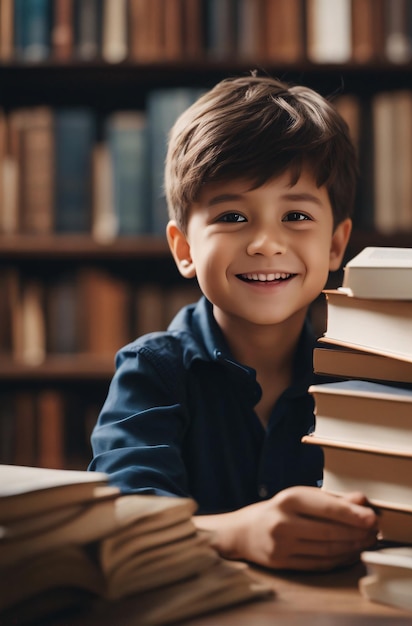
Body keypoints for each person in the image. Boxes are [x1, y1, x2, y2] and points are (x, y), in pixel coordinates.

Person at [89, 75, 378, 571]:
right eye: (233, 217)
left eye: (296, 217)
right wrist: (236, 533)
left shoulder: (361, 380)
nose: (266, 243)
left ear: (335, 245)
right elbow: (120, 519)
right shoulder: (153, 372)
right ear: (184, 248)